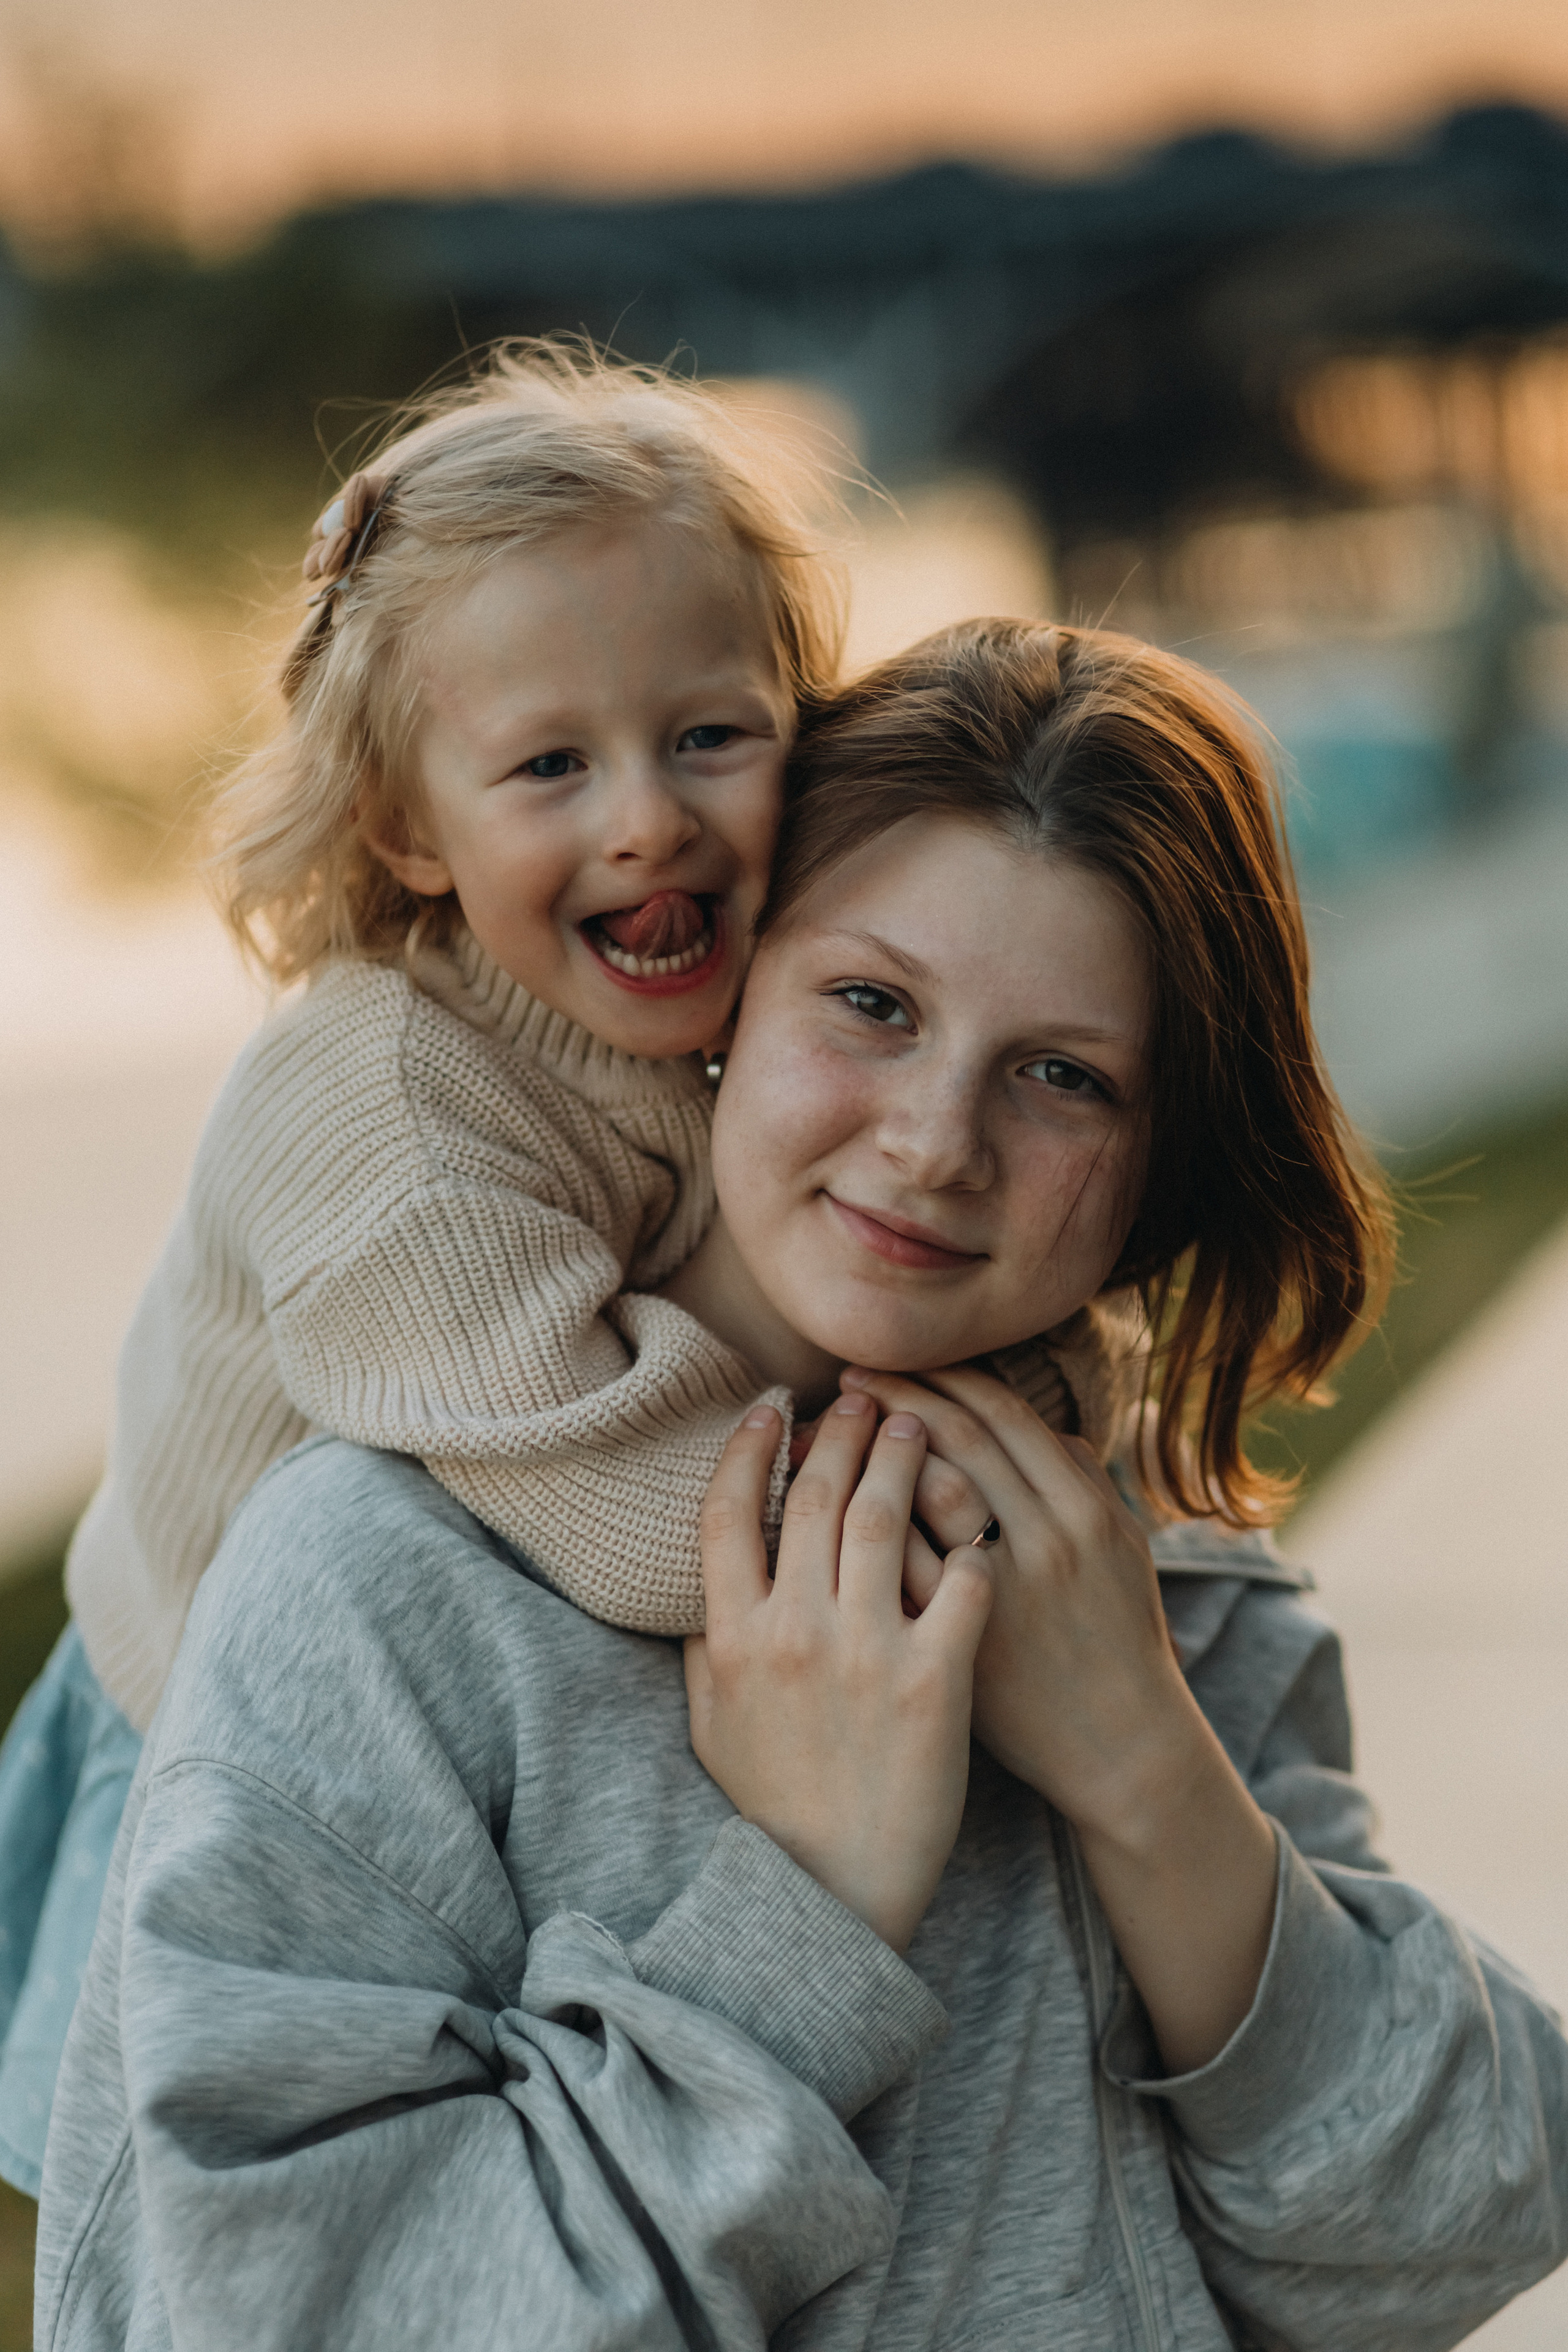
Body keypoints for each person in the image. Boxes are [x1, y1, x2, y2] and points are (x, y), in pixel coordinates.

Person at [36, 621, 1568, 2350]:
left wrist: (1147, 1770)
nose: (936, 1140)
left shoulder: (1143, 1578)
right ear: (721, 982)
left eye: (1064, 1076)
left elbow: (1448, 2234)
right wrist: (805, 1907)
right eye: (873, 1006)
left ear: (1160, 1164)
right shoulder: (382, 1589)